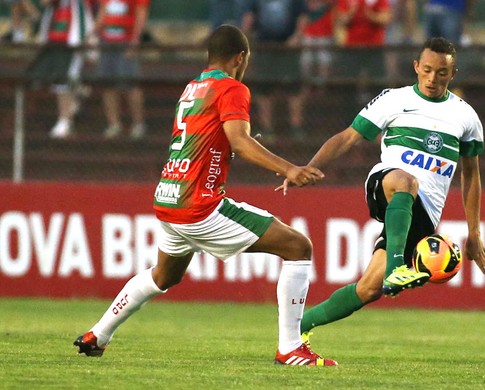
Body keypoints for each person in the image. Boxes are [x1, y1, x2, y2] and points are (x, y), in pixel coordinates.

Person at [73, 25, 337, 366]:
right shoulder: (232, 88)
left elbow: (216, 138)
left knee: (163, 276)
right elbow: (240, 142)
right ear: (240, 58)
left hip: (169, 197)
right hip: (200, 205)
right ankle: (290, 347)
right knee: (298, 247)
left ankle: (98, 334)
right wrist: (289, 169)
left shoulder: (194, 88)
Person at [277, 37, 485, 342]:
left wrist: (474, 233)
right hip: (387, 184)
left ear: (453, 73)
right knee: (406, 181)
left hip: (422, 215)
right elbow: (349, 137)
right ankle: (396, 269)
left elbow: (471, 176)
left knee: (368, 288)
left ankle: (295, 331)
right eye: (427, 70)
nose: (433, 79)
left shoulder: (466, 117)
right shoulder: (394, 99)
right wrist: (308, 166)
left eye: (441, 73)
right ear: (416, 67)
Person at [25, 0, 95, 139]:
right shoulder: (53, 9)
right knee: (38, 76)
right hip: (53, 41)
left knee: (63, 80)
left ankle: (65, 120)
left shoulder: (77, 7)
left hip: (71, 42)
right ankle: (77, 91)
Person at [241, 0, 307, 140]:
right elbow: (249, 16)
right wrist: (244, 38)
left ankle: (296, 127)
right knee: (264, 88)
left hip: (289, 48)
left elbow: (303, 16)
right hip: (265, 47)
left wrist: (297, 36)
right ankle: (267, 128)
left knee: (294, 87)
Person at [93, 0, 150, 139]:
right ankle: (113, 123)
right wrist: (94, 33)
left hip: (126, 41)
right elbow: (103, 11)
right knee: (108, 84)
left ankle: (138, 123)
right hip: (106, 41)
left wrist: (135, 40)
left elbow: (141, 13)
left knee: (130, 83)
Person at [288, 0, 335, 139]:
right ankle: (307, 86)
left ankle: (321, 89)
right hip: (308, 33)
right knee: (306, 63)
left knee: (324, 62)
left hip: (326, 33)